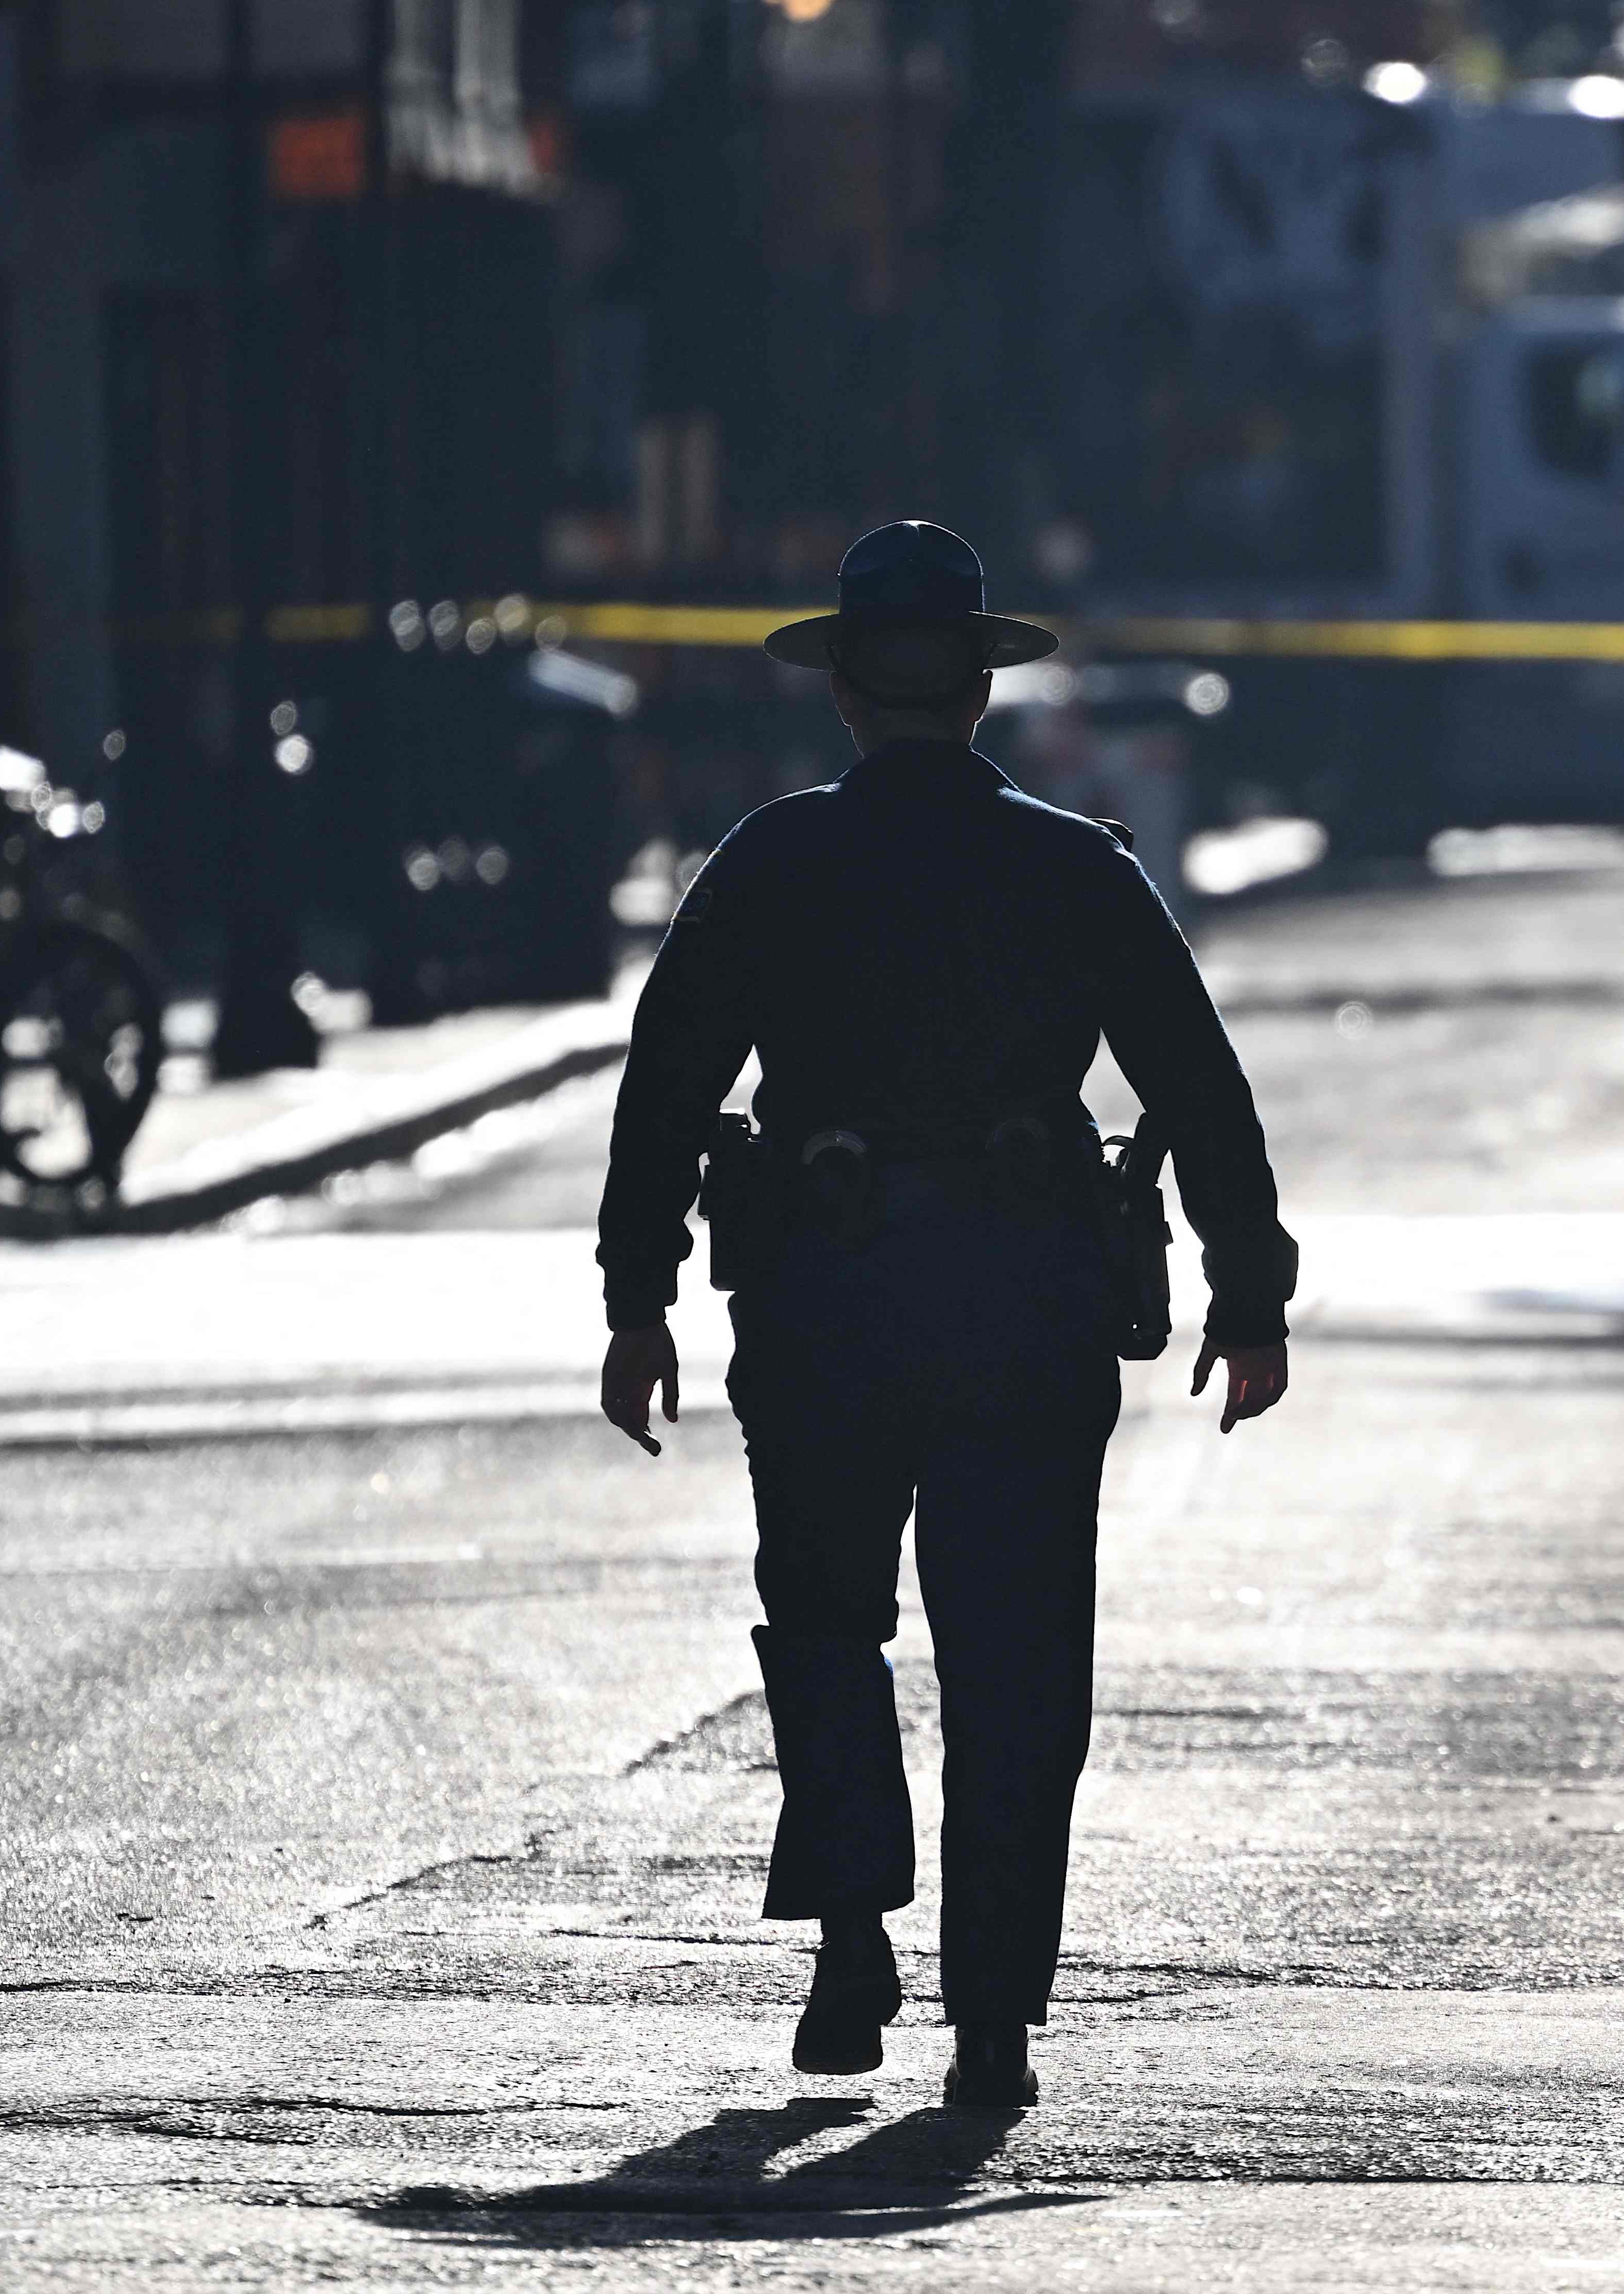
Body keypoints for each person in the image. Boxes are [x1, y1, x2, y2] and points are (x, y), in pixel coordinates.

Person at [594, 522, 1297, 2109]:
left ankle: (852, 1935)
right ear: (977, 692)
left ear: (842, 693)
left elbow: (666, 1090)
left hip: (823, 1304)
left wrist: (636, 1299)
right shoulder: (1073, 866)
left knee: (831, 1627)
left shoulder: (769, 861)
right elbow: (1198, 1085)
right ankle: (993, 2015)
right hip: (1022, 1305)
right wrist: (1248, 1289)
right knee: (1017, 1663)